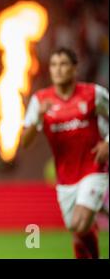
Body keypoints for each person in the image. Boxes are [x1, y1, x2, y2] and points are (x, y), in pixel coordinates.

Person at [21, 47, 109, 259]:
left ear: (74, 69)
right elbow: (25, 142)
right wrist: (38, 119)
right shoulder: (40, 100)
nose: (58, 69)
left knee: (80, 223)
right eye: (54, 65)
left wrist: (107, 143)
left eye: (63, 64)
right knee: (78, 229)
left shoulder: (93, 94)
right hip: (65, 180)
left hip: (93, 169)